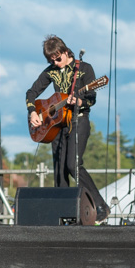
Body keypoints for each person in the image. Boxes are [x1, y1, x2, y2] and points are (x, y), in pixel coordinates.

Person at [25, 35, 109, 223]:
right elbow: (31, 93)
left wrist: (79, 101)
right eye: (51, 60)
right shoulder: (51, 71)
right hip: (57, 125)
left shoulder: (85, 69)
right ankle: (64, 214)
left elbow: (91, 99)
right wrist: (33, 112)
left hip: (79, 120)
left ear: (65, 51)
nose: (56, 63)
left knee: (73, 165)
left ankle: (101, 205)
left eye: (58, 58)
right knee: (59, 170)